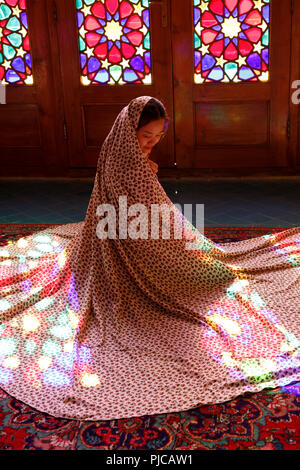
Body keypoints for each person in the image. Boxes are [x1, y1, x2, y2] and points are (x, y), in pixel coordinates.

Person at [0, 95, 299, 422]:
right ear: (130, 133)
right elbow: (153, 219)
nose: (152, 144)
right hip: (131, 237)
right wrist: (177, 243)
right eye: (145, 137)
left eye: (157, 138)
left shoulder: (115, 149)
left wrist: (148, 173)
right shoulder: (129, 164)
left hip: (119, 227)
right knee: (203, 269)